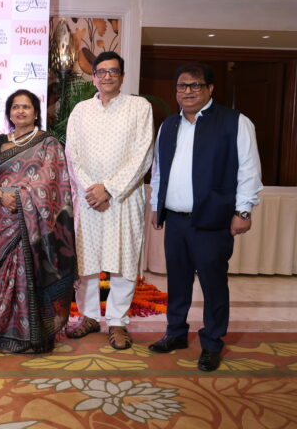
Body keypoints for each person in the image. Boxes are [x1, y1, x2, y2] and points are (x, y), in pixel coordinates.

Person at [149, 62, 262, 372]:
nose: (188, 91)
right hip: (176, 220)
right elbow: (160, 169)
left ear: (210, 89)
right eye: (182, 86)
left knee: (213, 284)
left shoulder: (235, 122)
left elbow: (249, 170)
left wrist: (243, 210)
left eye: (195, 85)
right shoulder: (169, 126)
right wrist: (157, 206)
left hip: (214, 219)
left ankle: (212, 342)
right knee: (178, 281)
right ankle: (175, 333)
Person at [64, 51, 153, 350]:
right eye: (101, 71)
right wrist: (93, 190)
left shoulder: (139, 107)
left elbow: (142, 154)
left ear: (122, 76)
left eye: (113, 71)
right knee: (86, 261)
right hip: (88, 200)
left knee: (123, 260)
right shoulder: (80, 110)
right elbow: (72, 155)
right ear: (94, 76)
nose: (107, 76)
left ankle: (117, 322)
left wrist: (110, 189)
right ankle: (88, 316)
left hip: (123, 199)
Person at [0, 90, 77, 353]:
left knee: (29, 272)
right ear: (9, 112)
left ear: (36, 112)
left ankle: (35, 335)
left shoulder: (48, 143)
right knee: (5, 277)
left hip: (34, 220)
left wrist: (22, 197)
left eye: (27, 107)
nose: (20, 111)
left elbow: (52, 180)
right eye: (15, 107)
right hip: (4, 215)